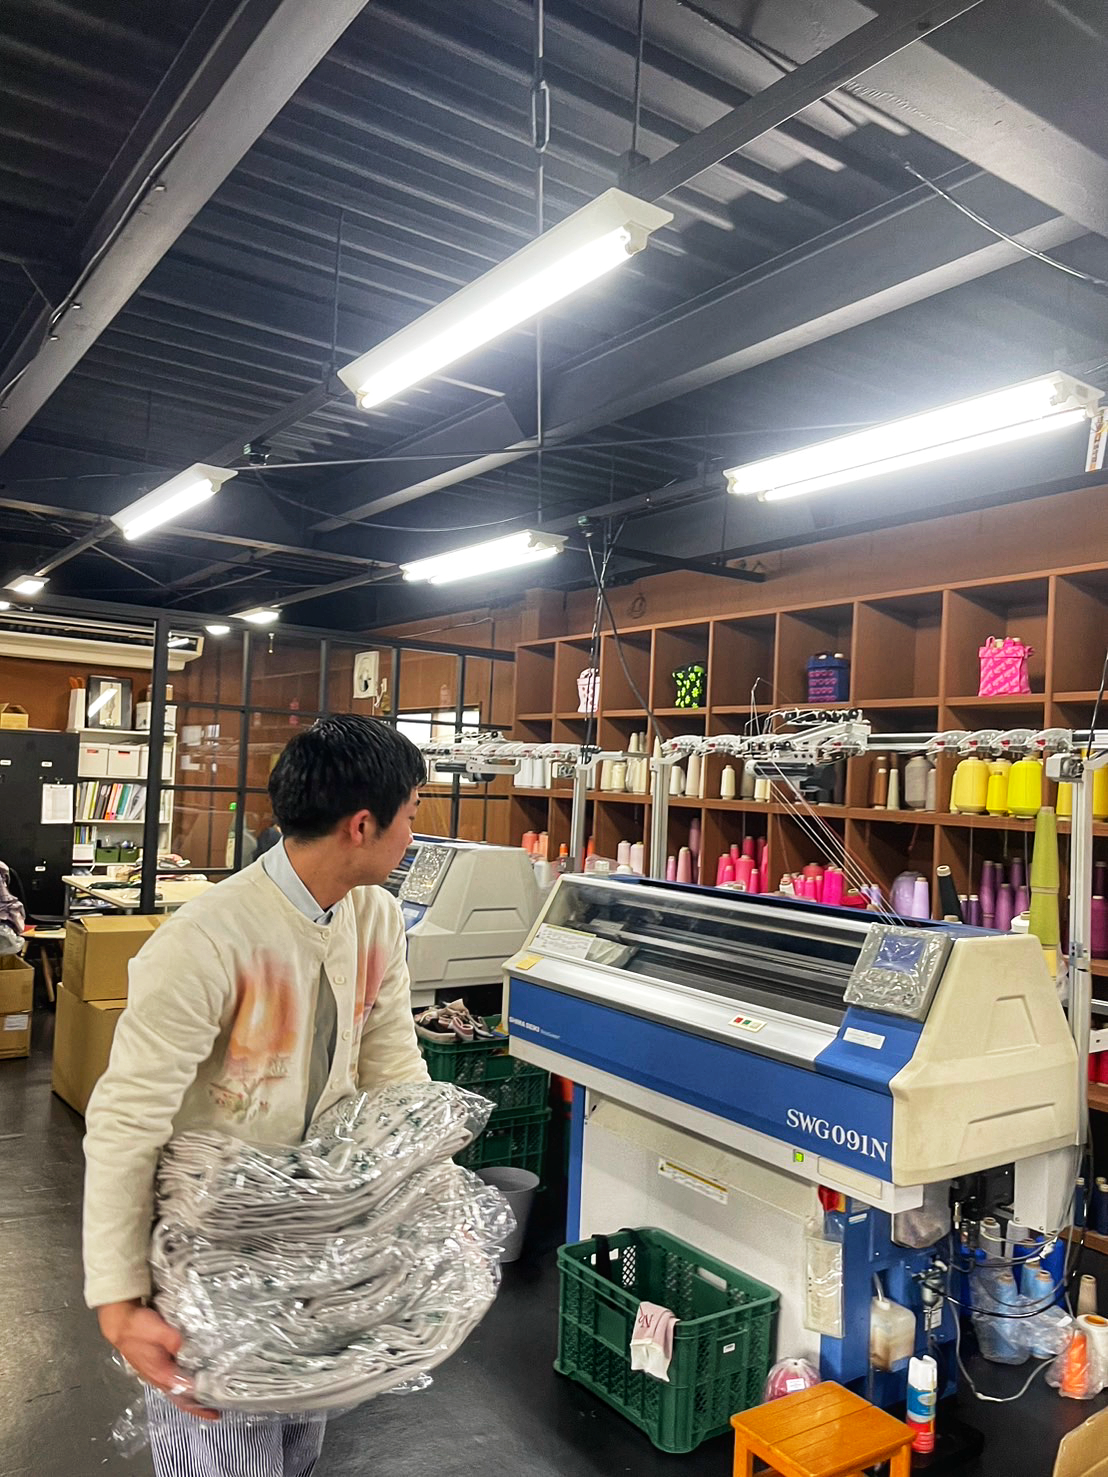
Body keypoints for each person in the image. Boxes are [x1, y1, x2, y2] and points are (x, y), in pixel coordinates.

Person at [84, 715, 429, 1476]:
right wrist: (117, 1299)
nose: (414, 834)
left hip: (320, 1237)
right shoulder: (206, 938)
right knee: (222, 1454)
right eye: (411, 813)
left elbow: (393, 1065)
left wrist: (422, 1195)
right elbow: (126, 1119)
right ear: (361, 825)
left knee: (298, 1444)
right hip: (215, 1249)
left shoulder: (373, 915)